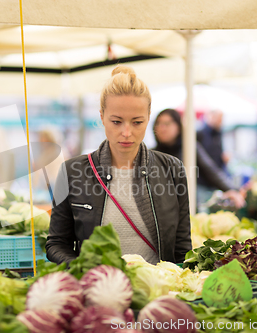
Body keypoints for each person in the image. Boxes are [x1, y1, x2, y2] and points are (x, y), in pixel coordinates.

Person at [46, 66, 192, 265]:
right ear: (102, 117)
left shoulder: (172, 169)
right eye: (116, 122)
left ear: (149, 117)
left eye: (137, 122)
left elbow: (182, 248)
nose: (126, 132)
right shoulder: (72, 172)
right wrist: (82, 270)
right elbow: (56, 243)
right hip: (98, 288)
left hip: (158, 289)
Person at [152, 108, 245, 208]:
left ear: (178, 126)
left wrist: (233, 189)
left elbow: (210, 170)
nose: (162, 128)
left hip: (189, 206)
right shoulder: (151, 154)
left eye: (167, 123)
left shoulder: (189, 148)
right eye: (158, 124)